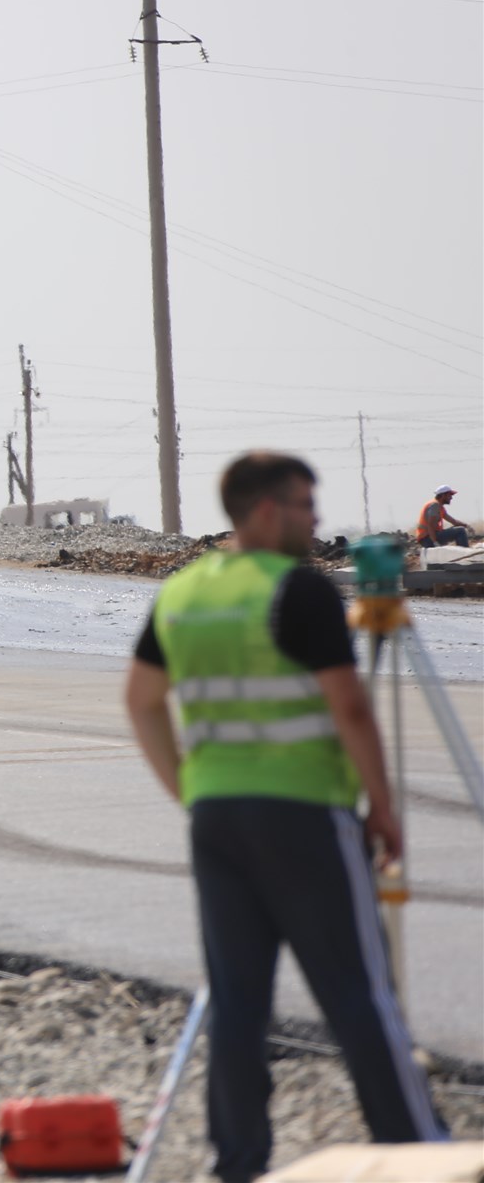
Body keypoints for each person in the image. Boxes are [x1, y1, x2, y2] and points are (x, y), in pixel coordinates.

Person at [123, 452, 446, 1182]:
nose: (316, 517)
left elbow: (141, 702)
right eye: (305, 503)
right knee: (358, 992)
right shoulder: (296, 589)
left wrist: (191, 790)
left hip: (216, 821)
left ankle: (236, 1163)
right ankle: (414, 1147)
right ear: (267, 511)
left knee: (238, 1000)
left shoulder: (182, 592)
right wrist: (382, 806)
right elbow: (350, 707)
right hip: (304, 815)